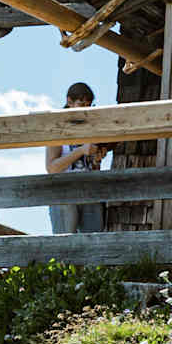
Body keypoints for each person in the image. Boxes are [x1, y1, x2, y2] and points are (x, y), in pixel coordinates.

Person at [46, 82, 108, 233]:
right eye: (82, 104)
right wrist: (80, 151)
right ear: (69, 102)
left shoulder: (90, 129)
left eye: (88, 105)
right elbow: (52, 168)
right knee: (65, 245)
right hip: (63, 194)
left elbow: (92, 167)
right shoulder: (57, 129)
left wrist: (97, 159)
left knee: (93, 243)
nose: (85, 109)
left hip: (89, 192)